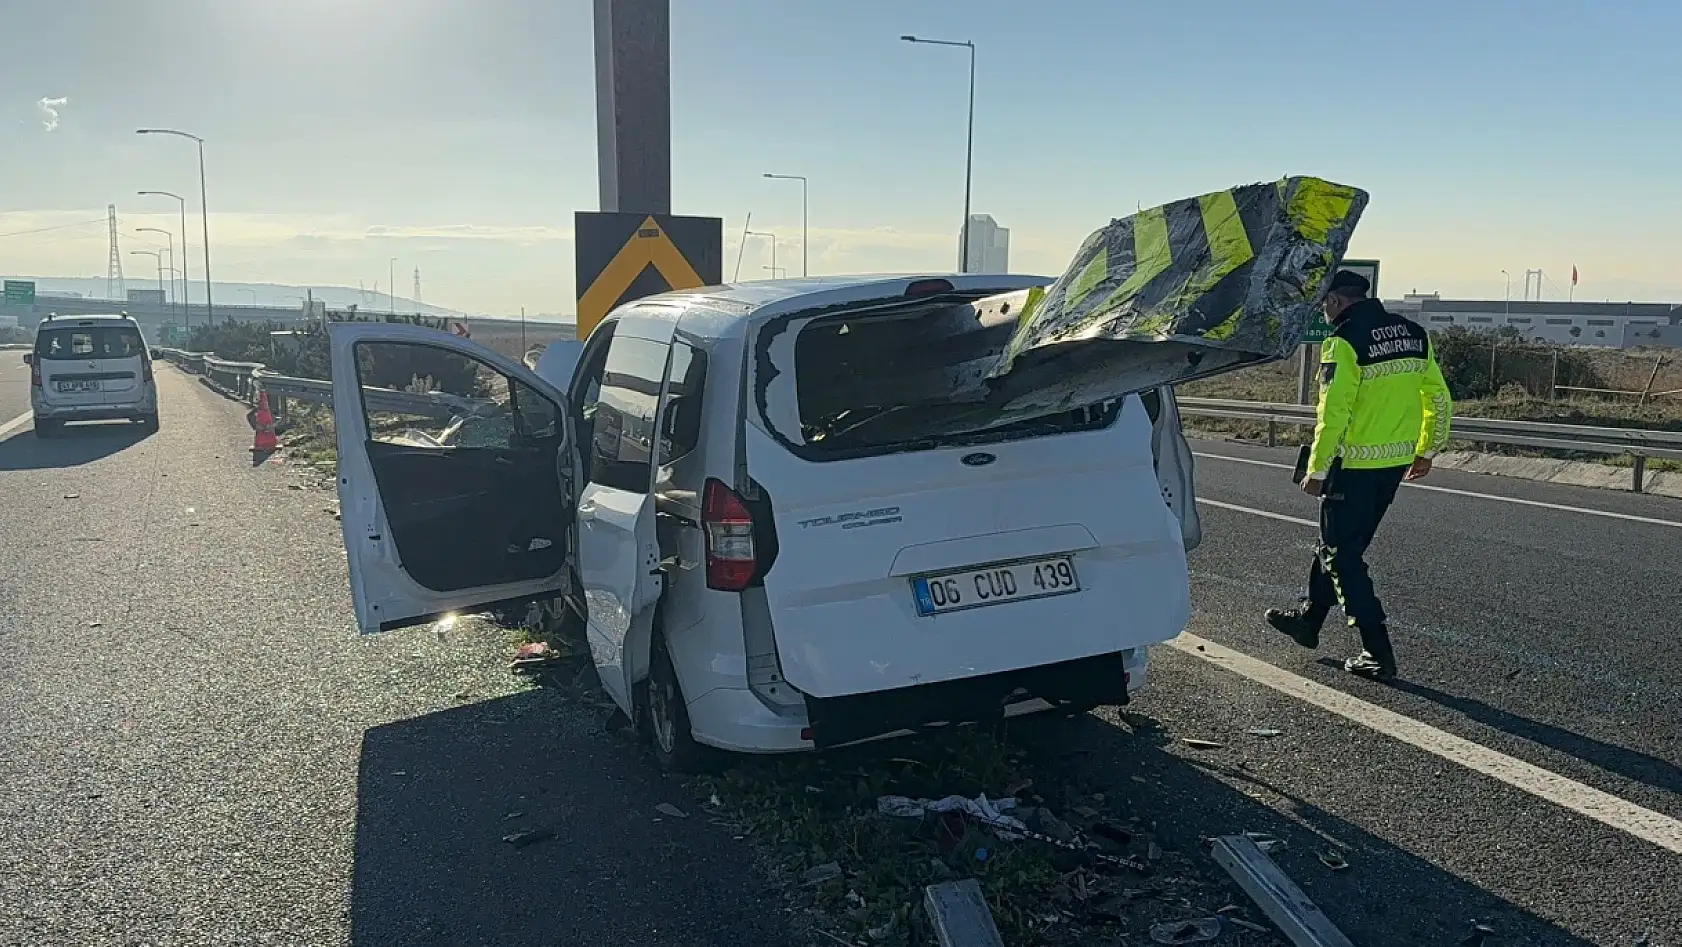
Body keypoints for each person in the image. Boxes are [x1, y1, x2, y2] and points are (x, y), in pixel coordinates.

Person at [1265, 270, 1453, 679]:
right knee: (1336, 545)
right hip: (1393, 465)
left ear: (1335, 301)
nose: (1324, 311)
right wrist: (1427, 449)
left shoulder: (1344, 341)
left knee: (1342, 555)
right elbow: (1438, 397)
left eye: (1324, 303)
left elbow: (1333, 413)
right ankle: (1309, 621)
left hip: (1351, 467)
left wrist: (1316, 469)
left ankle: (1377, 652)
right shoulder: (1413, 333)